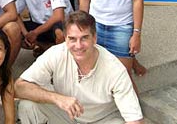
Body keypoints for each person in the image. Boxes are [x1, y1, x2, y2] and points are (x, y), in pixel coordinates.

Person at [15, 11, 144, 124]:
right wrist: (57, 98)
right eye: (72, 39)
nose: (78, 46)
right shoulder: (56, 53)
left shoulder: (114, 69)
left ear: (94, 38)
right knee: (28, 105)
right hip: (67, 115)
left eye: (84, 38)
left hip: (103, 119)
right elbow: (19, 87)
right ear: (65, 39)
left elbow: (135, 120)